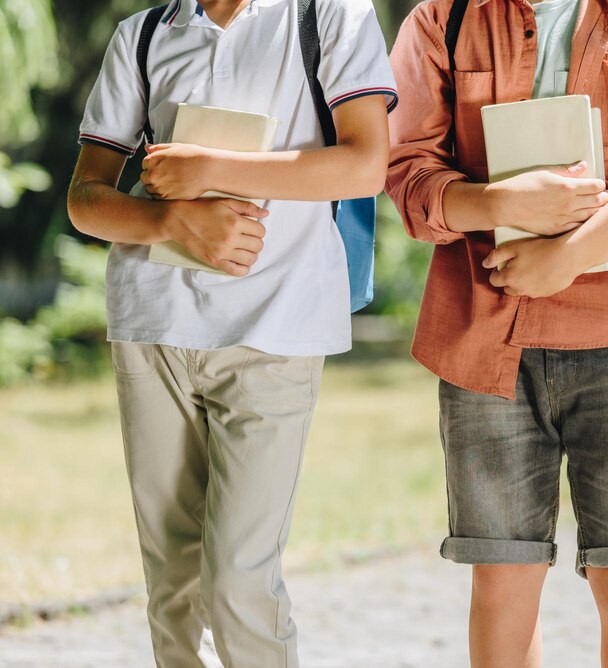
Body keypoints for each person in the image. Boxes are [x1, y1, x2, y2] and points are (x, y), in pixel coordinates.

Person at [386, 0, 608, 664]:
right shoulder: (442, 18)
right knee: (502, 581)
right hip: (485, 339)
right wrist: (497, 203)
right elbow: (406, 173)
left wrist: (566, 256)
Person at [66, 1, 396, 665]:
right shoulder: (146, 34)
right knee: (172, 584)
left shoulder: (329, 15)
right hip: (154, 326)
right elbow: (86, 199)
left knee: (241, 579)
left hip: (276, 326)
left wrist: (209, 169)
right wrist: (168, 224)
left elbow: (365, 164)